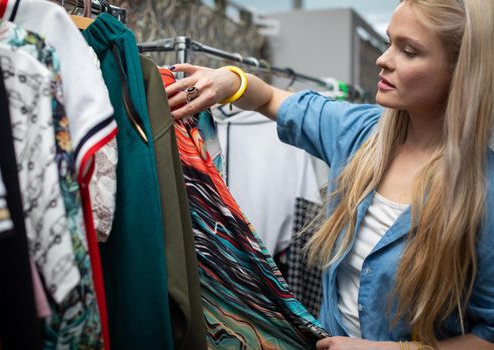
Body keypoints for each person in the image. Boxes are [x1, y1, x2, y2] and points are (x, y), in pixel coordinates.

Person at [164, 0, 494, 349]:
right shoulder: (358, 134)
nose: (383, 59)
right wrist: (230, 80)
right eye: (389, 42)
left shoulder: (483, 193)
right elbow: (271, 99)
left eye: (408, 51)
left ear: (459, 70)